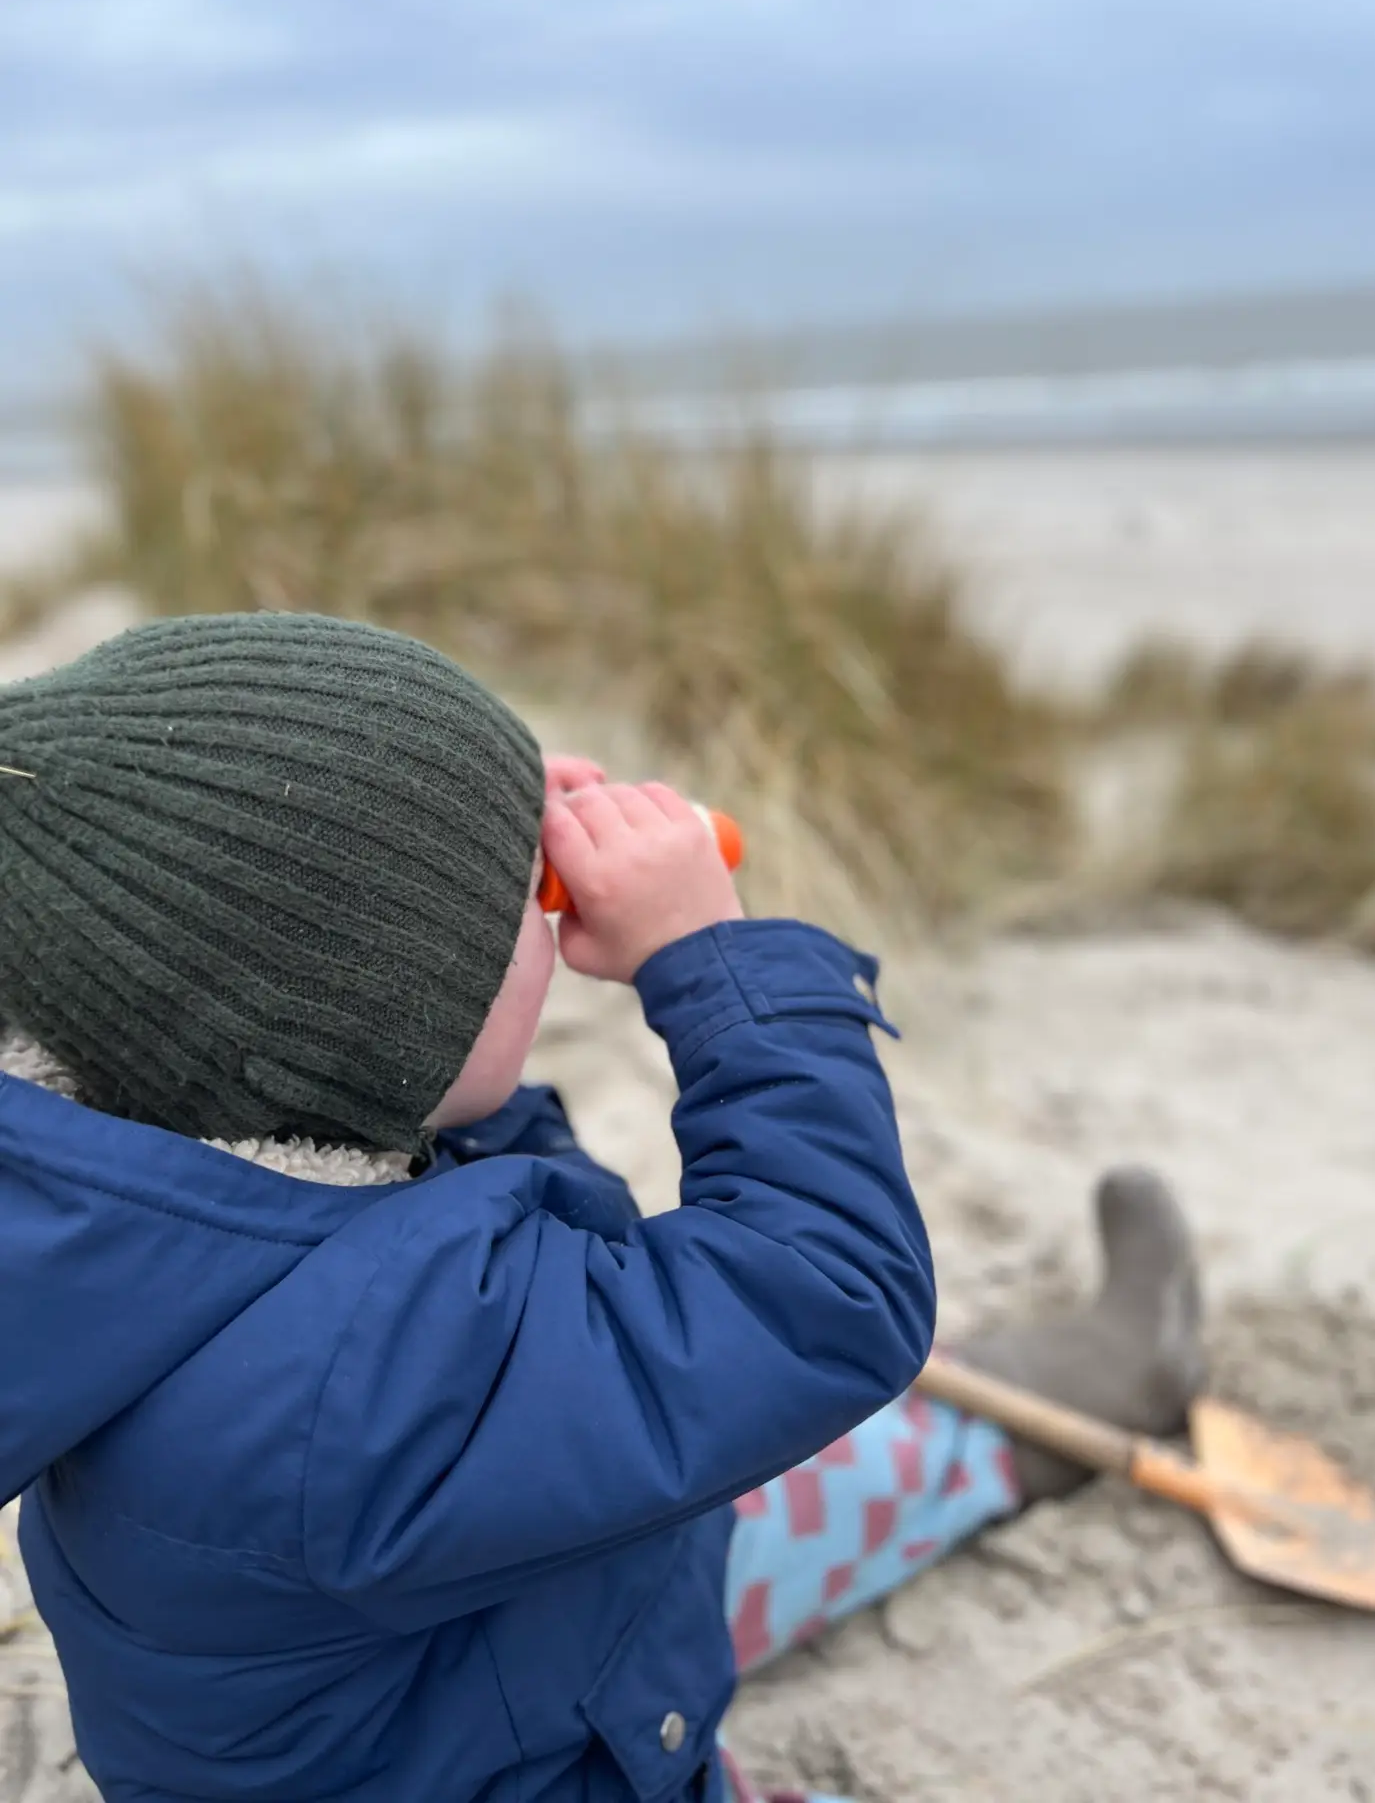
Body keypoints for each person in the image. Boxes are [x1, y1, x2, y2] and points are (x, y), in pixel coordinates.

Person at [0, 614, 1203, 1803]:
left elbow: (455, 1179)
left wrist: (474, 823)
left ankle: (1089, 1383)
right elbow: (821, 1297)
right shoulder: (351, 1388)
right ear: (379, 1039)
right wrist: (710, 963)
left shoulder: (175, 1195)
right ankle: (1053, 1413)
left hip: (512, 1640)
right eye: (513, 909)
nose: (541, 900)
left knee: (801, 1476)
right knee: (760, 1414)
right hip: (540, 1736)